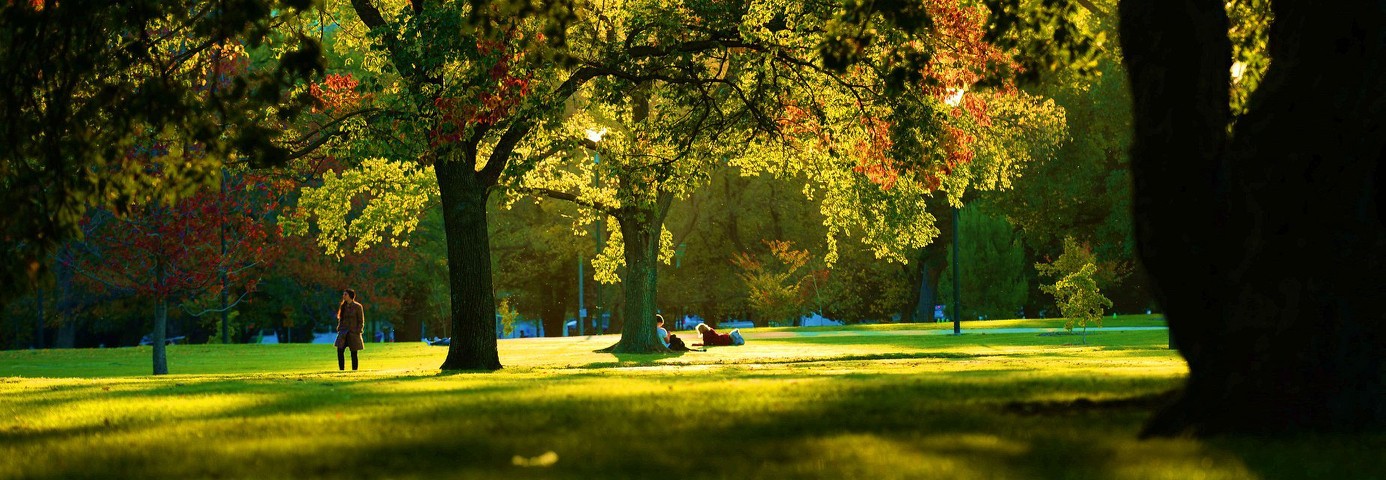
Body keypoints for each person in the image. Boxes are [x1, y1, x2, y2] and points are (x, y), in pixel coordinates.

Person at [334, 289, 366, 371]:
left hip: (353, 333)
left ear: (350, 296)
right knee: (340, 351)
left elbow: (361, 320)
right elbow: (341, 319)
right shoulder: (343, 306)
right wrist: (339, 328)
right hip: (343, 333)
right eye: (343, 294)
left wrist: (358, 331)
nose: (343, 296)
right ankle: (341, 369)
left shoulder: (358, 307)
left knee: (354, 353)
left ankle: (354, 370)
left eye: (345, 294)